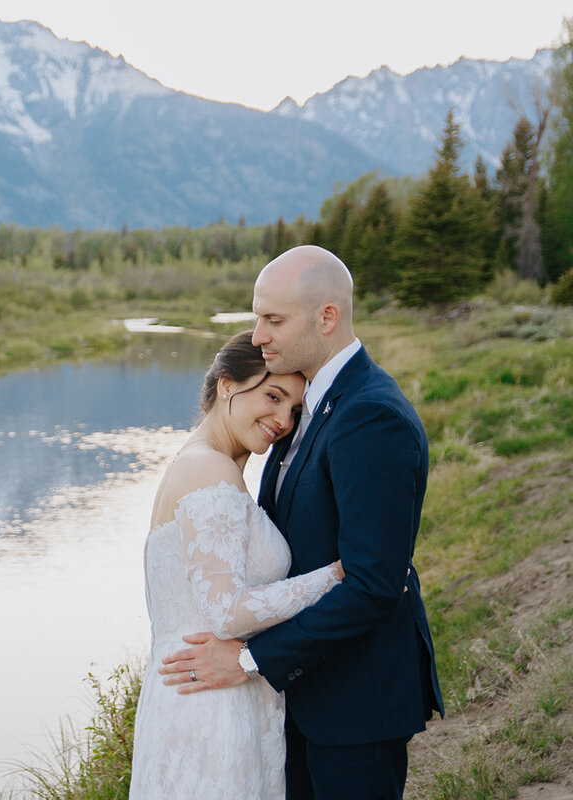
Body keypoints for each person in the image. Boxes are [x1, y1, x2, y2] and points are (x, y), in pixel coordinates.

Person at [159, 245, 444, 800]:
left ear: (327, 317)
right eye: (256, 317)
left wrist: (247, 659)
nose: (258, 334)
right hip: (300, 695)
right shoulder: (308, 406)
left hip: (356, 702)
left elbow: (372, 584)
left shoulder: (370, 414)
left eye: (273, 319)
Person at [129, 330, 344, 799]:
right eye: (272, 395)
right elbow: (227, 613)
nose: (283, 419)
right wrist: (335, 576)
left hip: (201, 693)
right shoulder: (209, 469)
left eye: (294, 410)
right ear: (227, 384)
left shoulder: (202, 464)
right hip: (210, 705)